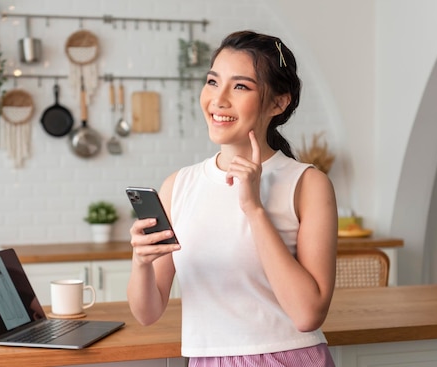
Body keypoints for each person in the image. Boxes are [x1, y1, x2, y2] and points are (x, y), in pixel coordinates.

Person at [127, 30, 338, 367]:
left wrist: (254, 209)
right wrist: (140, 262)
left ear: (278, 102)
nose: (218, 99)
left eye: (240, 86)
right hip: (206, 360)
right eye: (212, 82)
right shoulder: (177, 185)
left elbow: (307, 315)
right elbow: (148, 313)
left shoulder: (307, 184)